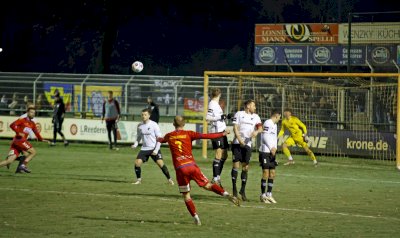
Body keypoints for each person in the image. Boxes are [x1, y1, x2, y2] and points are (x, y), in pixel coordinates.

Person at [158, 116, 240, 225]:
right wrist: (222, 134)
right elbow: (207, 136)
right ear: (184, 124)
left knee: (186, 195)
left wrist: (156, 138)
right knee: (207, 185)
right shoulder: (189, 133)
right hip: (192, 166)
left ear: (173, 124)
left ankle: (196, 217)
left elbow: (162, 140)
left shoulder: (170, 135)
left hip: (180, 169)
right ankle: (225, 194)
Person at [131, 108, 174, 185]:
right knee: (137, 163)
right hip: (144, 148)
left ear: (149, 115)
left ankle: (170, 180)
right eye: (142, 115)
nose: (143, 116)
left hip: (154, 148)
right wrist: (135, 144)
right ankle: (139, 180)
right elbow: (139, 137)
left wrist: (156, 150)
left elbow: (159, 138)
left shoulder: (154, 124)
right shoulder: (140, 126)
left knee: (161, 164)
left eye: (145, 115)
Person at [231, 99, 262, 201]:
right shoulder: (239, 114)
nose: (255, 107)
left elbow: (260, 128)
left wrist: (256, 132)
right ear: (248, 106)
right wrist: (239, 140)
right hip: (237, 143)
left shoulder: (256, 117)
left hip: (247, 145)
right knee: (236, 165)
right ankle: (234, 190)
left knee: (245, 167)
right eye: (254, 105)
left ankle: (242, 191)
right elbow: (235, 127)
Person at [0, 107, 49, 173]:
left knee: (9, 161)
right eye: (31, 112)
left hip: (17, 142)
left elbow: (36, 132)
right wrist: (18, 132)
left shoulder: (32, 123)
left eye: (34, 113)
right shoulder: (22, 120)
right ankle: (23, 166)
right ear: (27, 113)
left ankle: (21, 167)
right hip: (19, 140)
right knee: (33, 152)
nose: (33, 114)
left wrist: (41, 139)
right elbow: (12, 125)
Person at [206, 88, 229, 186]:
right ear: (219, 94)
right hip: (216, 132)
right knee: (219, 153)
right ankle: (215, 177)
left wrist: (226, 116)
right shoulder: (212, 103)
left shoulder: (216, 105)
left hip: (222, 131)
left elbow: (219, 117)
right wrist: (220, 117)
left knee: (224, 155)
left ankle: (217, 176)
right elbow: (208, 118)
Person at [259, 110, 281, 204]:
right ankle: (263, 195)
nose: (280, 119)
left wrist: (275, 148)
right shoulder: (268, 122)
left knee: (272, 173)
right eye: (280, 117)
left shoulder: (275, 125)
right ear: (277, 116)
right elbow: (265, 136)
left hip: (272, 152)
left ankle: (269, 194)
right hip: (265, 151)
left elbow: (274, 138)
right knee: (265, 173)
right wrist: (271, 147)